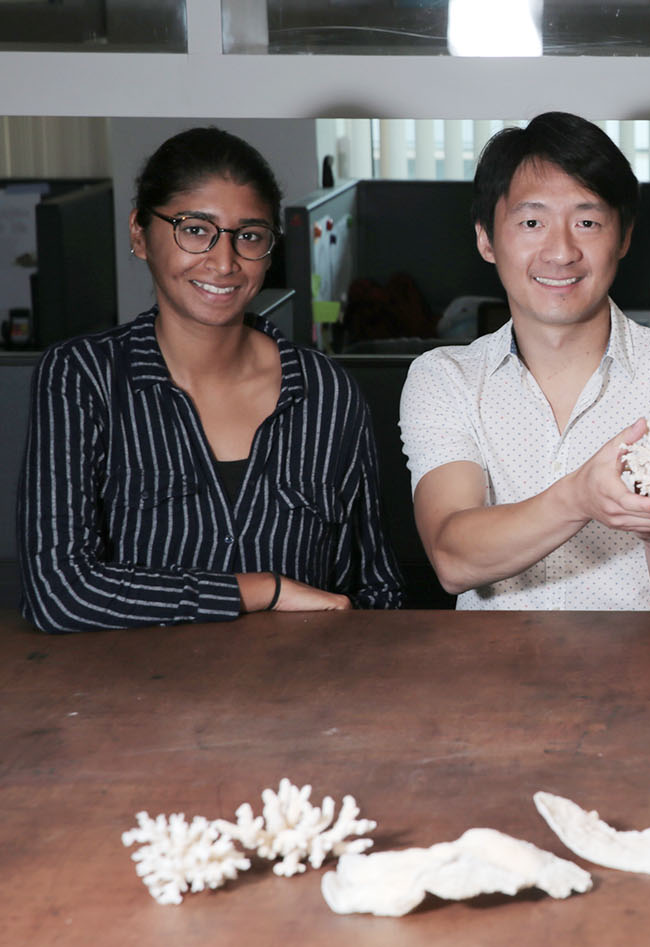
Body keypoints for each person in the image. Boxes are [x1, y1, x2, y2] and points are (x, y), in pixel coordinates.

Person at [18, 127, 403, 633]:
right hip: (134, 701)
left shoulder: (325, 391)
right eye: (195, 229)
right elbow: (58, 594)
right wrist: (261, 591)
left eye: (249, 236)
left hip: (302, 697)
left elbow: (374, 588)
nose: (224, 263)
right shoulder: (83, 378)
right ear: (139, 233)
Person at [399, 112, 650, 611]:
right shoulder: (445, 379)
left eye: (587, 222)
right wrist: (580, 496)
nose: (560, 252)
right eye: (532, 222)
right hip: (494, 680)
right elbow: (452, 557)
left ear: (622, 237)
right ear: (486, 239)